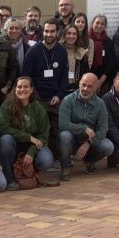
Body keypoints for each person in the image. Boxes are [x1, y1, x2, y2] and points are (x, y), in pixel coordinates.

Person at [0, 76, 55, 190]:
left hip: (31, 146)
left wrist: (31, 152)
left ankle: (27, 172)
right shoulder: (7, 105)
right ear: (15, 89)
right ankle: (10, 179)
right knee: (5, 140)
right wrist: (28, 137)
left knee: (46, 160)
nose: (22, 89)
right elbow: (3, 128)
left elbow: (43, 135)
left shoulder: (39, 109)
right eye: (19, 87)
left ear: (32, 89)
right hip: (13, 144)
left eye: (26, 87)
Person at [23, 20, 69, 154]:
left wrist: (59, 95)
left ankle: (55, 157)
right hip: (37, 99)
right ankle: (37, 156)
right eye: (47, 31)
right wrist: (35, 97)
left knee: (59, 128)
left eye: (52, 31)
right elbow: (26, 77)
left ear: (57, 33)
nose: (49, 34)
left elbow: (64, 77)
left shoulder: (62, 51)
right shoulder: (33, 52)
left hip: (55, 98)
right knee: (38, 129)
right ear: (43, 32)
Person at [57, 73, 114, 181]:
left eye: (90, 86)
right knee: (64, 135)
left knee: (108, 147)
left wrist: (88, 143)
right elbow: (63, 124)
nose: (85, 89)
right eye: (83, 85)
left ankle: (90, 161)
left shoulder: (100, 104)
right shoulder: (67, 100)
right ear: (79, 84)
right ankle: (65, 167)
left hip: (90, 141)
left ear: (96, 88)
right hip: (72, 139)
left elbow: (103, 129)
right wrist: (84, 128)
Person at [88, 14, 116, 94]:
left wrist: (100, 82)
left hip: (104, 81)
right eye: (97, 23)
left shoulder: (108, 42)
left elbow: (111, 63)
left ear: (105, 26)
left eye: (102, 24)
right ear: (92, 23)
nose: (99, 25)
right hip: (87, 80)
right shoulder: (85, 40)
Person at [61, 24, 91, 99]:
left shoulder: (82, 52)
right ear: (64, 35)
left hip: (76, 90)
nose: (71, 36)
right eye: (69, 33)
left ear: (77, 36)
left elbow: (85, 74)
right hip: (60, 89)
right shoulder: (57, 50)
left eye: (74, 34)